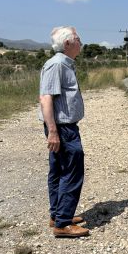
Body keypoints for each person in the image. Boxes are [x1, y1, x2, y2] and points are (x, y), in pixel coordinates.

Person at [39, 26, 90, 238]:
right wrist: (53, 131)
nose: (81, 42)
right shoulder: (57, 64)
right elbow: (46, 98)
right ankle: (62, 223)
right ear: (68, 43)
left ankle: (58, 215)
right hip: (62, 127)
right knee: (71, 170)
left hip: (63, 126)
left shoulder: (64, 64)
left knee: (59, 170)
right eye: (77, 39)